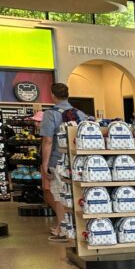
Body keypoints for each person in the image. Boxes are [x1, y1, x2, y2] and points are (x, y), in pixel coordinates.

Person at [39, 83, 85, 241]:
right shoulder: (80, 114)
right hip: (77, 161)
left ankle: (64, 230)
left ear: (53, 95)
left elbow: (47, 140)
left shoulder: (50, 114)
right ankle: (74, 228)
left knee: (60, 195)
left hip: (58, 160)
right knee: (76, 193)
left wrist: (45, 164)